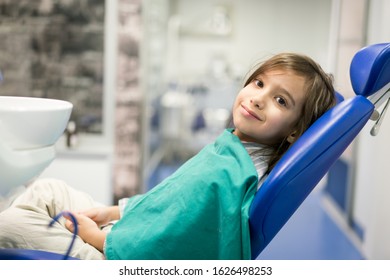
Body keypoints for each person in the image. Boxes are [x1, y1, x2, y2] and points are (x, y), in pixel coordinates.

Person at [0, 53, 336, 260]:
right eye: (259, 83)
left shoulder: (229, 174)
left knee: (9, 224)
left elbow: (181, 237)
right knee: (49, 190)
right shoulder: (234, 150)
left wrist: (97, 236)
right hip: (127, 234)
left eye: (281, 101)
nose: (259, 98)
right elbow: (170, 199)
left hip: (118, 259)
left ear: (295, 131)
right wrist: (110, 211)